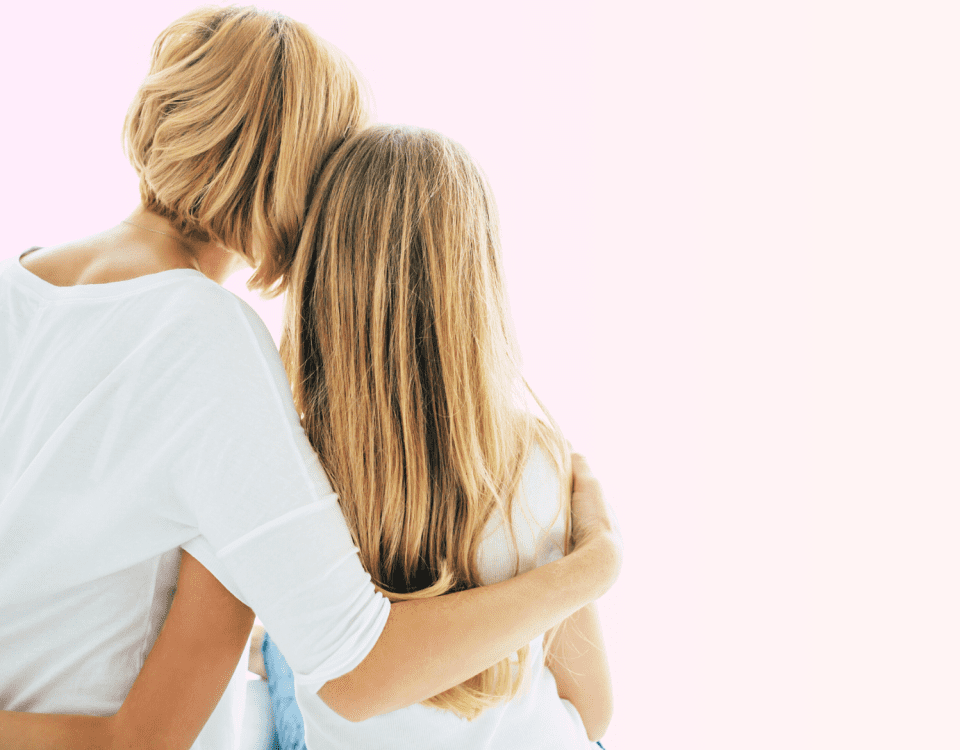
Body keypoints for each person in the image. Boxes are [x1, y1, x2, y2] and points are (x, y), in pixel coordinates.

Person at [0, 6, 621, 750]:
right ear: (299, 176)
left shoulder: (20, 285)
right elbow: (356, 671)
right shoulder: (206, 337)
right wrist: (592, 568)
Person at [258, 124, 614, 749]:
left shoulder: (286, 469)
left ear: (321, 283)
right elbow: (592, 709)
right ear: (478, 288)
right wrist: (598, 558)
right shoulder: (538, 459)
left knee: (278, 658)